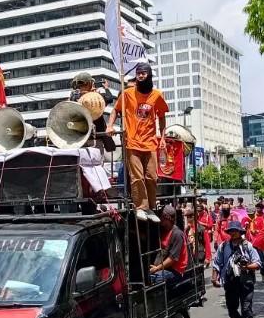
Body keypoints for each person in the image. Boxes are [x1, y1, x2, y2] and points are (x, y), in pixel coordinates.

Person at [107, 62, 168, 222]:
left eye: (144, 73)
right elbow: (115, 110)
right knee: (137, 177)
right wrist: (110, 125)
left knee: (152, 177)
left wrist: (162, 137)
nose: (141, 75)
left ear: (149, 75)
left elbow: (161, 116)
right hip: (132, 142)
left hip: (150, 143)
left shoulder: (157, 95)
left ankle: (150, 208)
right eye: (139, 73)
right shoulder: (127, 94)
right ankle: (140, 207)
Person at [211, 221, 261, 318]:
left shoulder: (247, 246)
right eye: (231, 231)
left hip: (246, 283)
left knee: (246, 310)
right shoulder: (224, 246)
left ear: (240, 232)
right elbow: (217, 263)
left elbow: (257, 263)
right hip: (230, 283)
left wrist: (246, 266)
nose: (233, 233)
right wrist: (214, 277)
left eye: (235, 230)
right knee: (232, 310)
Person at [69, 72, 116, 152]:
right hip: (96, 136)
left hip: (80, 136)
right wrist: (106, 89)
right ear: (90, 83)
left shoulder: (75, 96)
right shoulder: (96, 96)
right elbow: (109, 98)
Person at [150, 206, 188, 284]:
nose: (160, 218)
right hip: (165, 267)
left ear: (167, 218)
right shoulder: (164, 231)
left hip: (176, 270)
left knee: (155, 278)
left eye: (161, 216)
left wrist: (157, 268)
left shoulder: (177, 234)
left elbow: (172, 259)